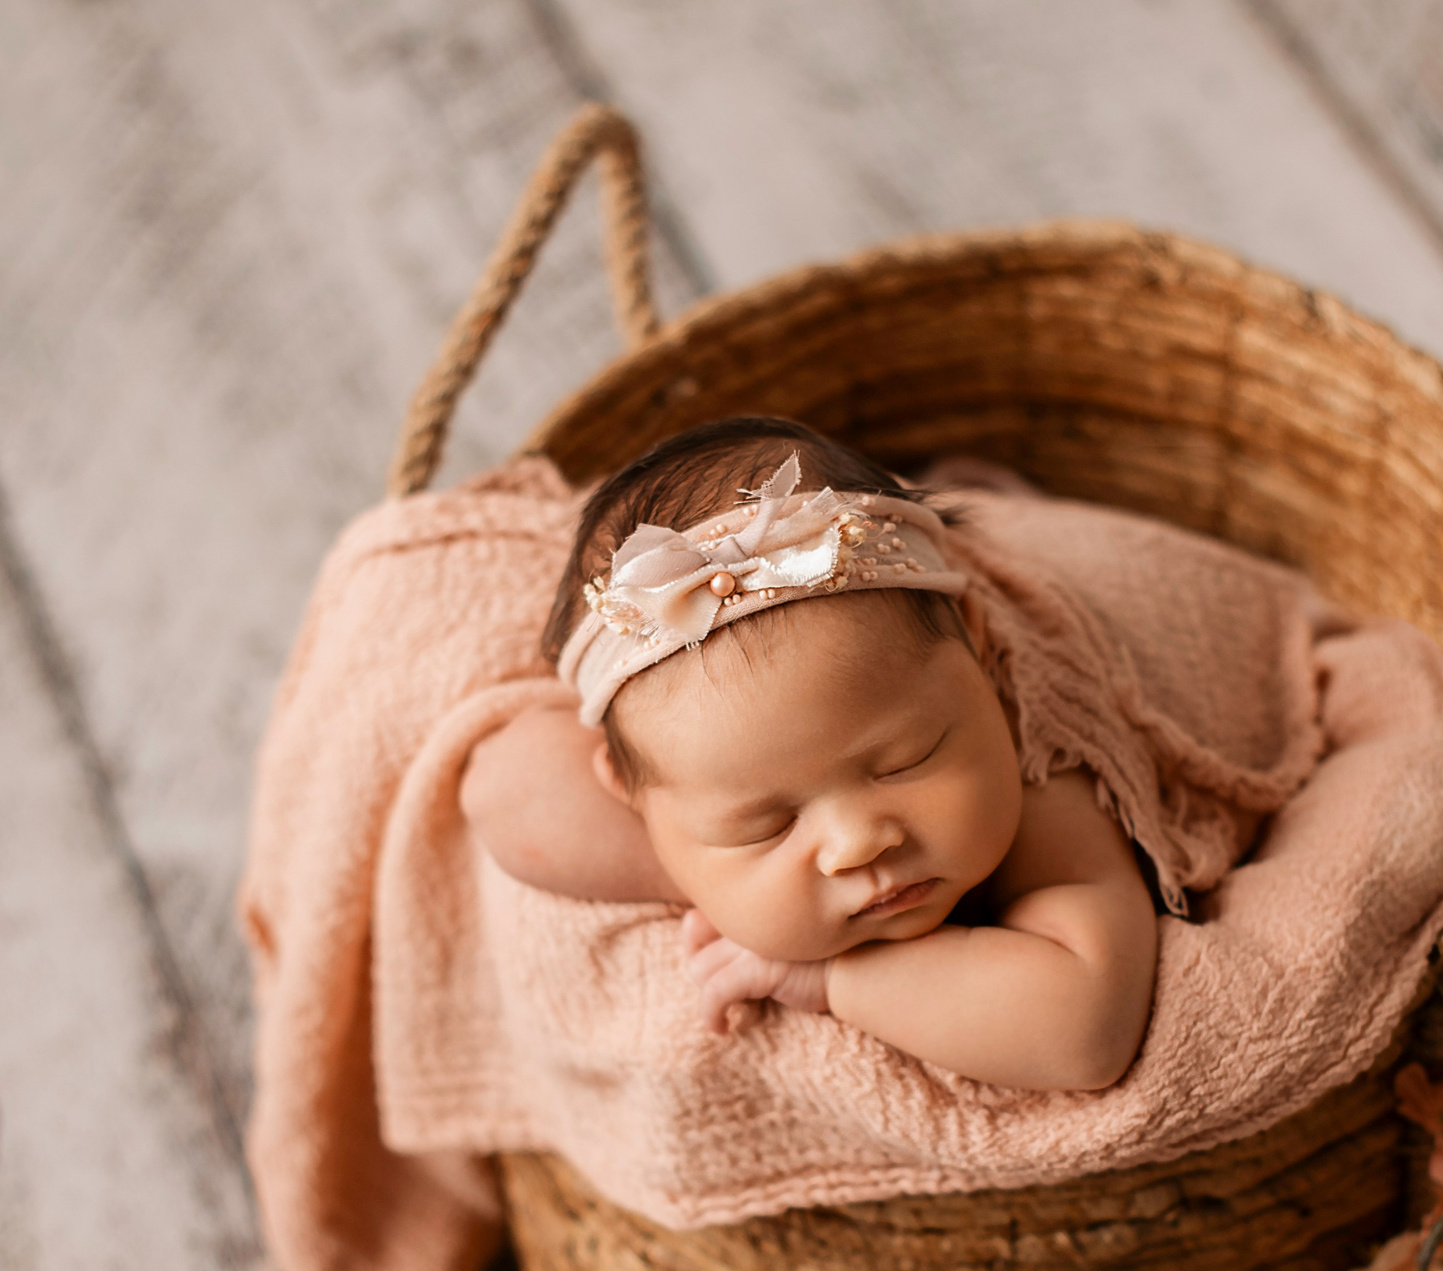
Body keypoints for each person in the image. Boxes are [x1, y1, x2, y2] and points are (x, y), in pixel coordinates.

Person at [460, 417, 1159, 1093]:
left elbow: (1087, 1032)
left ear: (978, 649)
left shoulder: (1039, 757)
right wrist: (728, 890)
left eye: (905, 761)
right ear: (631, 796)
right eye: (765, 825)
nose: (857, 844)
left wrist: (830, 979)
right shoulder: (674, 788)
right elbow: (500, 790)